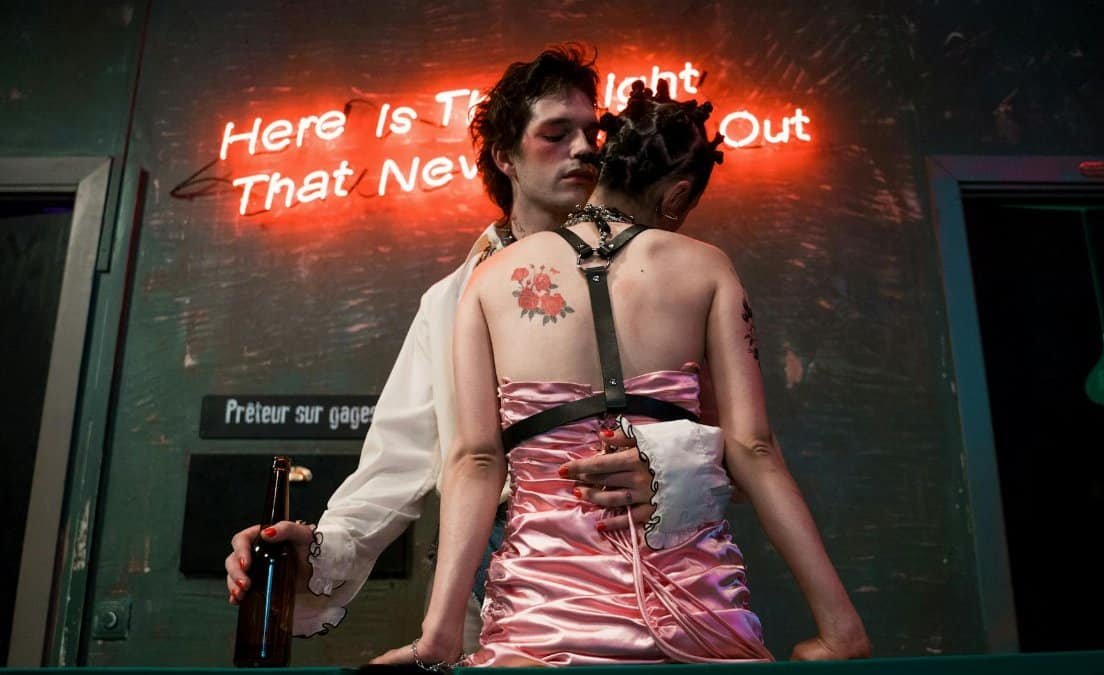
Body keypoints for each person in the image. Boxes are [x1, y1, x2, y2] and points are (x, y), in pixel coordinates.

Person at [225, 45, 732, 649]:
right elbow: (397, 462)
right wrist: (316, 554)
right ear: (504, 157)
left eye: (591, 132)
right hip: (499, 594)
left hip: (662, 578)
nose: (582, 149)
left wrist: (668, 467)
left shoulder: (665, 274)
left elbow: (735, 436)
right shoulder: (451, 300)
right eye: (555, 133)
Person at [374, 80, 871, 667]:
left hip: (543, 621)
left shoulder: (489, 280)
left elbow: (476, 462)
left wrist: (437, 638)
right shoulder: (707, 268)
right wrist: (841, 631)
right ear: (678, 193)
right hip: (696, 619)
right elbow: (754, 450)